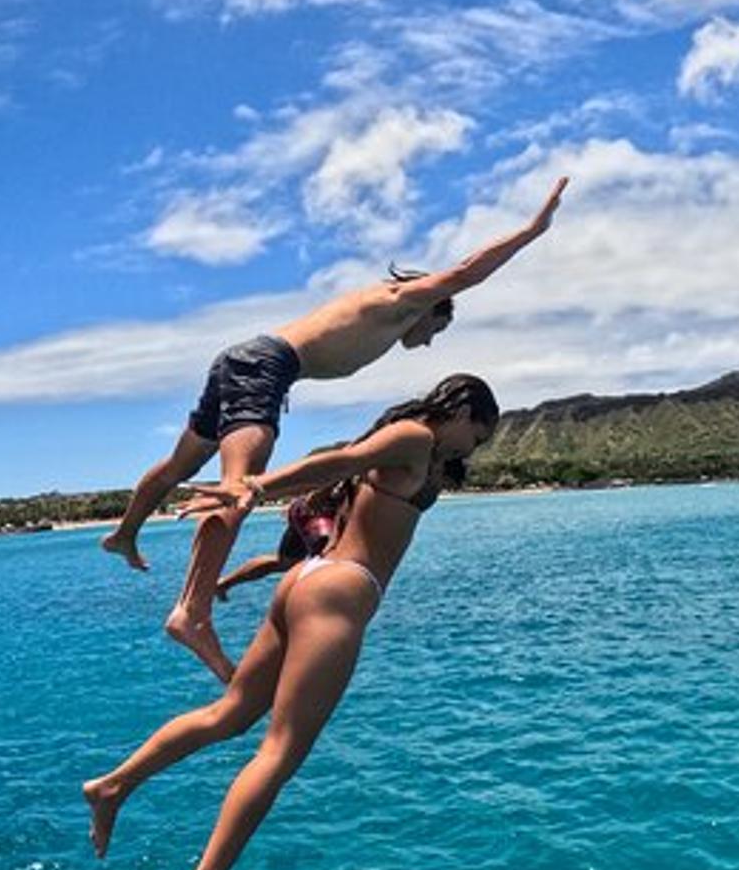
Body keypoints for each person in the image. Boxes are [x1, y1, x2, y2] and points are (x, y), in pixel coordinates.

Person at [83, 374, 498, 870]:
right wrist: (249, 488)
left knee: (229, 714)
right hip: (341, 592)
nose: (470, 450)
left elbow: (343, 467)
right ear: (459, 409)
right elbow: (340, 461)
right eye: (475, 435)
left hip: (305, 581)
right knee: (280, 751)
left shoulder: (419, 451)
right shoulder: (414, 436)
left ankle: (112, 787)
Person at [100, 179, 566, 681]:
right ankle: (192, 612)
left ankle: (125, 533)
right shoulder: (403, 300)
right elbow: (465, 273)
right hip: (265, 369)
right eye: (437, 329)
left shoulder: (387, 311)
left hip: (247, 363)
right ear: (432, 309)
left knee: (180, 466)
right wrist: (531, 231)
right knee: (237, 490)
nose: (429, 341)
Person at [213, 481, 348, 602]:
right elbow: (327, 483)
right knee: (328, 562)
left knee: (285, 562)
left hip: (307, 509)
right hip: (316, 513)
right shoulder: (353, 462)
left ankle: (224, 583)